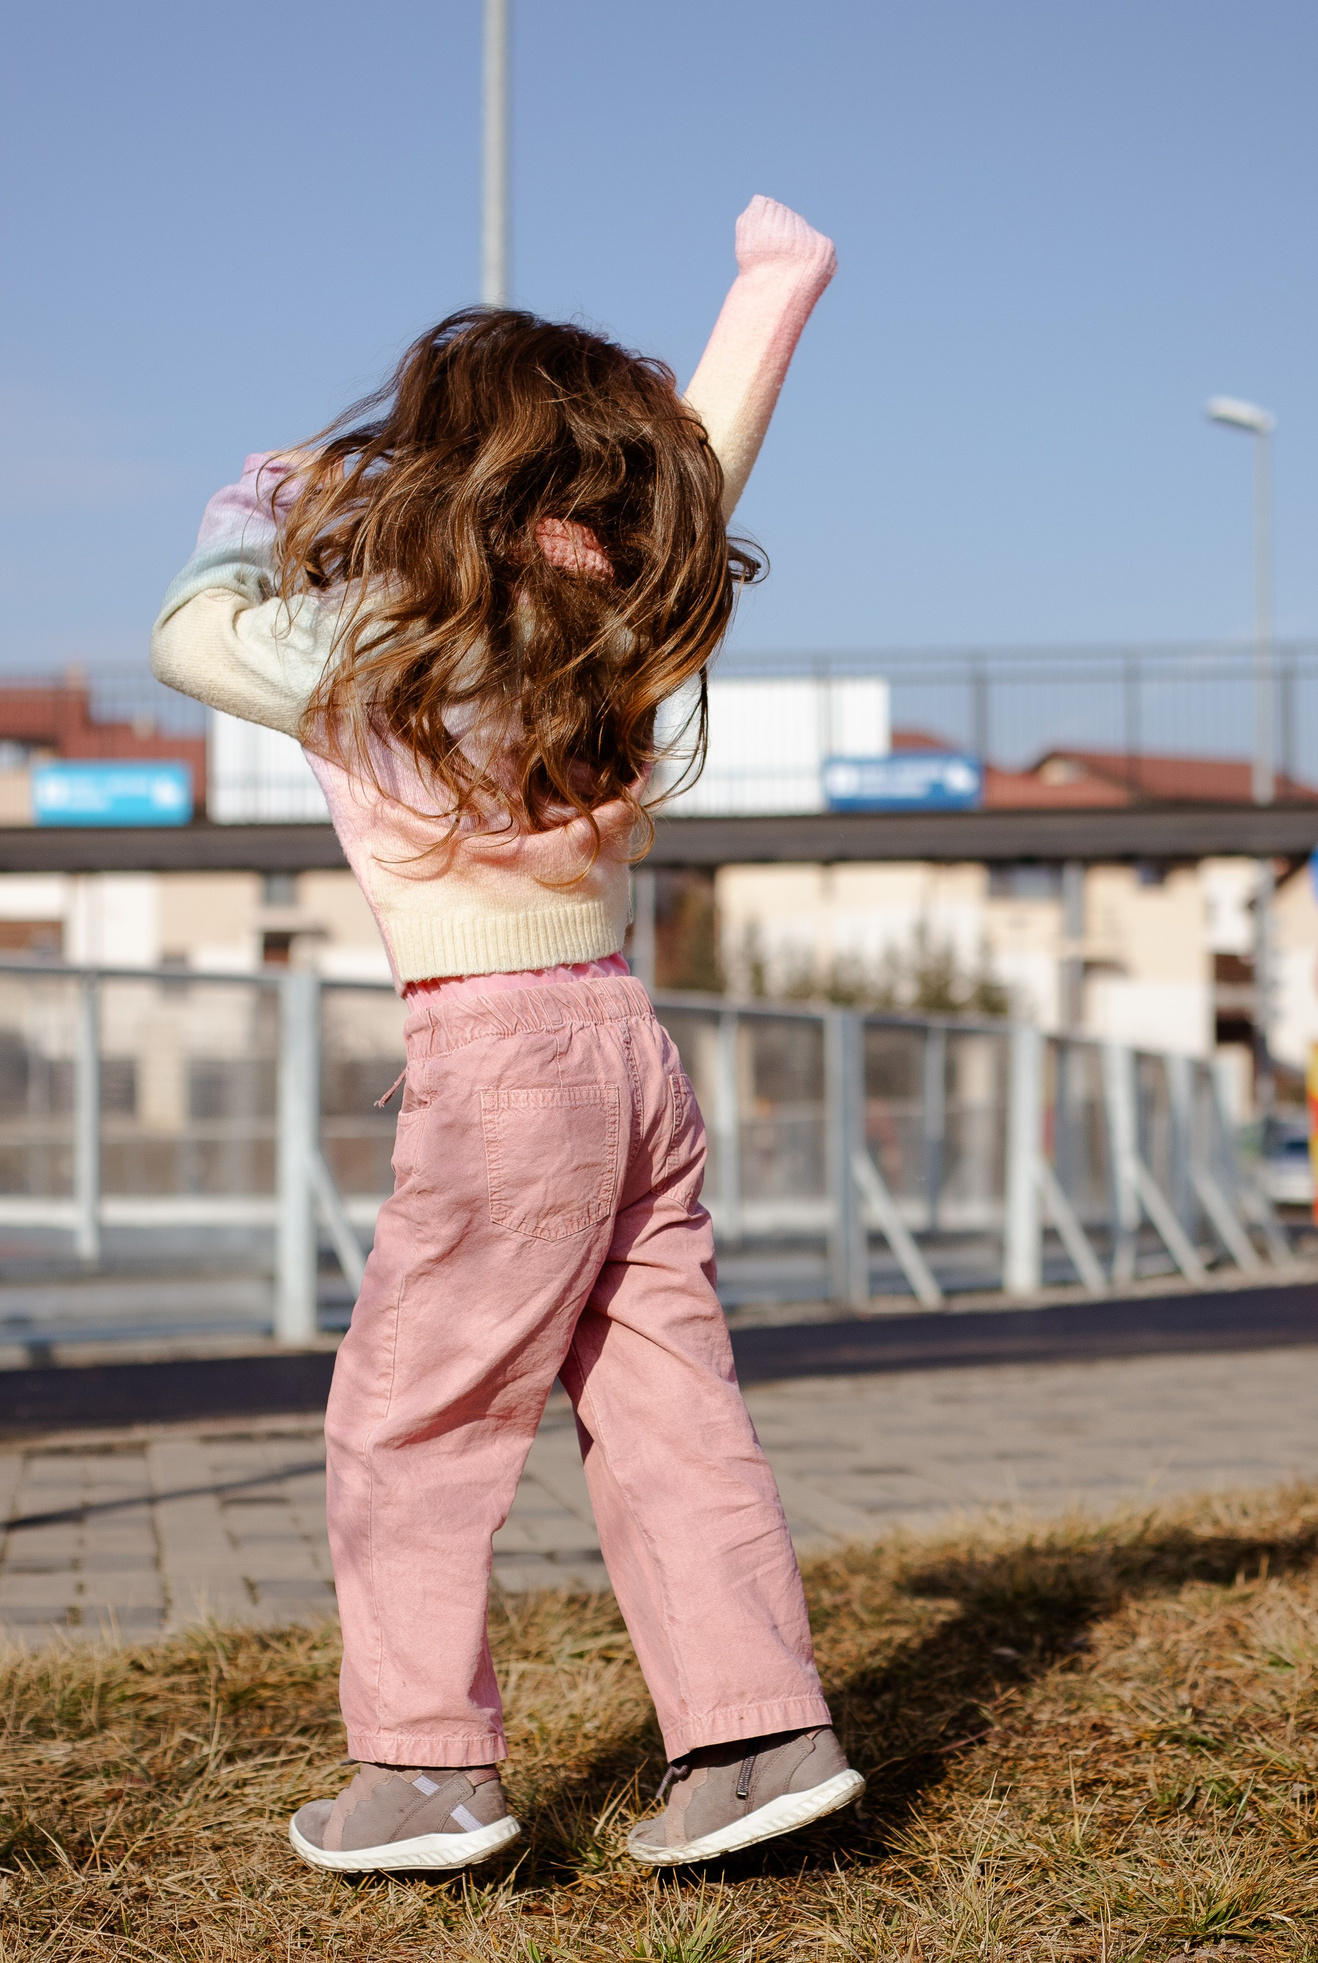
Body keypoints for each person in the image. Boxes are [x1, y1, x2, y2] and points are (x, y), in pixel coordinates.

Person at [150, 196, 851, 1875]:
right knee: (669, 1400)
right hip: (627, 1047)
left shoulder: (387, 646)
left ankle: (424, 1771)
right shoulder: (620, 610)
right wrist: (776, 290)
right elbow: (710, 460)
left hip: (498, 1063)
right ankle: (759, 1735)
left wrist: (254, 502)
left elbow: (185, 634)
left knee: (415, 1412)